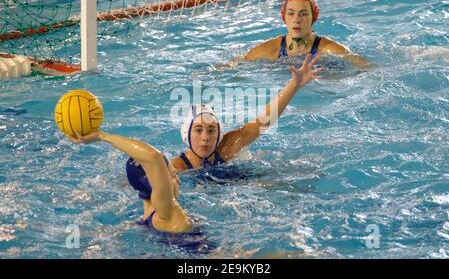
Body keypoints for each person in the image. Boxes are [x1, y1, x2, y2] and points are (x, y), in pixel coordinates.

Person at [66, 54, 322, 234]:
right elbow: (145, 179)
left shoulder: (227, 148)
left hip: (232, 181)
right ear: (187, 135)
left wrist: (295, 84)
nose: (205, 137)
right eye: (198, 130)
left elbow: (265, 120)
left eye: (211, 130)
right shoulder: (176, 167)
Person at [227, 0, 372, 69]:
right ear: (284, 17)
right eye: (291, 14)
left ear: (313, 16)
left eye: (303, 14)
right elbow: (237, 64)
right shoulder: (271, 50)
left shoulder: (328, 49)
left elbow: (367, 68)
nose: (296, 20)